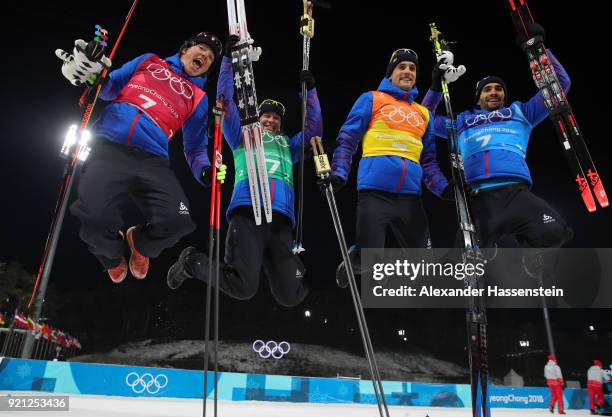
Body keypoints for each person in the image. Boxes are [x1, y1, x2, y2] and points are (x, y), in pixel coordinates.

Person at [166, 35, 323, 307]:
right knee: (243, 287)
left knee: (290, 295)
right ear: (257, 117)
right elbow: (225, 100)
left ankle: (304, 277)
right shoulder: (242, 136)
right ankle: (191, 262)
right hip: (248, 213)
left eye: (276, 117)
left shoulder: (288, 145)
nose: (271, 119)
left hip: (281, 221)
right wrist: (227, 60)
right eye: (266, 115)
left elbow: (313, 132)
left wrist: (310, 94)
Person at [56, 33, 226, 284]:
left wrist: (206, 170)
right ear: (185, 49)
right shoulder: (150, 61)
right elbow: (110, 87)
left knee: (179, 221)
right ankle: (112, 258)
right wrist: (94, 75)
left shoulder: (199, 99)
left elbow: (195, 149)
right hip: (110, 145)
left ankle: (140, 244)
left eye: (210, 57)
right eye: (201, 49)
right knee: (94, 221)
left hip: (152, 159)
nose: (205, 56)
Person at [422, 23, 573, 254]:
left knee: (555, 233)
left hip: (516, 193)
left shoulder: (521, 112)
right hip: (480, 199)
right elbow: (423, 120)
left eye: (498, 89)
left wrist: (541, 49)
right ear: (478, 97)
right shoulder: (461, 121)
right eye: (487, 89)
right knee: (461, 263)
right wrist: (435, 86)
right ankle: (485, 245)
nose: (494, 92)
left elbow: (559, 86)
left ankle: (520, 239)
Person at [329, 48, 461, 287]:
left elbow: (429, 160)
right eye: (402, 67)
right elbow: (348, 137)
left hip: (410, 197)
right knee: (370, 259)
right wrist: (339, 172)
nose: (407, 71)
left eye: (412, 68)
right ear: (390, 74)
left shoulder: (423, 114)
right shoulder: (372, 99)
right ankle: (355, 258)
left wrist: (443, 188)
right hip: (374, 193)